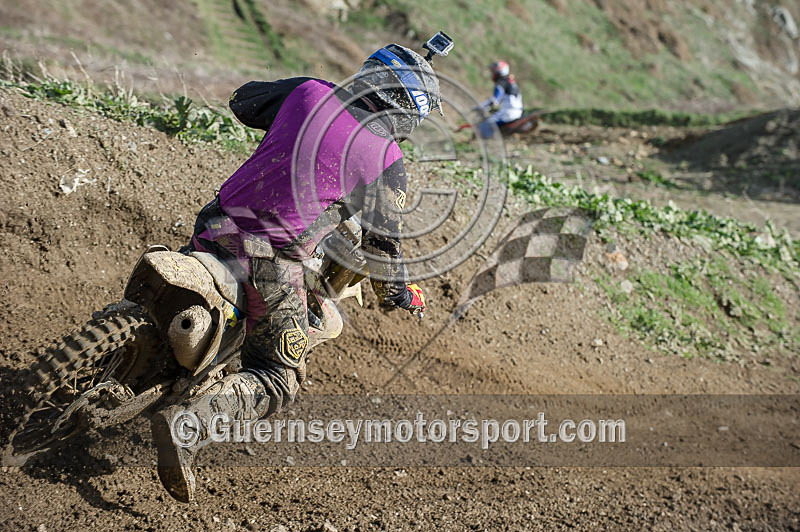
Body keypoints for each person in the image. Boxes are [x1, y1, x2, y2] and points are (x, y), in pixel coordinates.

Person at [151, 42, 440, 503]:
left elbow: (244, 101)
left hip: (217, 223)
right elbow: (382, 247)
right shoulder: (386, 160)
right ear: (407, 112)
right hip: (270, 260)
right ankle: (189, 424)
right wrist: (399, 294)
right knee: (277, 377)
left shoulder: (308, 93)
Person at [477, 60, 523, 138]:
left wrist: (480, 106)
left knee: (483, 126)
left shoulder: (501, 84)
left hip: (508, 113)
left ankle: (486, 143)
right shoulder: (509, 81)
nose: (492, 73)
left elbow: (495, 101)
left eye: (494, 71)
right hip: (516, 111)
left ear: (500, 71)